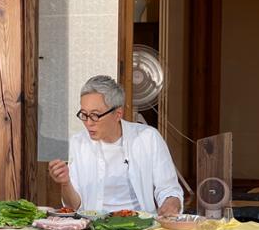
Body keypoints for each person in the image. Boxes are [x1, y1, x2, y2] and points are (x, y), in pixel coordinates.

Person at [48, 75, 183, 216]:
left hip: (139, 226)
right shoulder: (78, 142)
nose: (88, 122)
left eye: (95, 115)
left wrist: (170, 204)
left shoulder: (148, 138)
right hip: (94, 227)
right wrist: (65, 183)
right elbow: (74, 206)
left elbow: (169, 189)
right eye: (84, 114)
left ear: (118, 114)